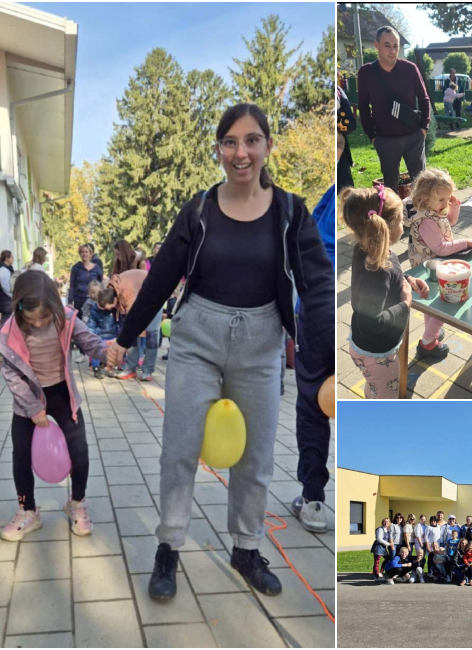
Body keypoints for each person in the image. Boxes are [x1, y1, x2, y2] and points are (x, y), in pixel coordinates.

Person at [106, 103, 333, 602]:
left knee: (256, 457)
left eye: (252, 140)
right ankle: (169, 545)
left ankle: (246, 549)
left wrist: (329, 362)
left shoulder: (290, 212)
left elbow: (317, 288)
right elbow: (161, 278)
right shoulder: (200, 209)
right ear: (219, 150)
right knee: (179, 449)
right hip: (197, 341)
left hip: (261, 344)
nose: (241, 152)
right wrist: (124, 340)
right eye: (230, 142)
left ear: (268, 146)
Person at [0, 272, 105, 540]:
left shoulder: (66, 319)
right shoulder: (10, 331)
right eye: (30, 318)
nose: (37, 323)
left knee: (80, 452)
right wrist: (34, 408)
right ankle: (27, 510)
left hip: (62, 394)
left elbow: (90, 342)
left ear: (54, 307)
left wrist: (109, 352)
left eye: (43, 317)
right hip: (28, 400)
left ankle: (77, 502)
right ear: (19, 307)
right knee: (21, 457)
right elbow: (11, 374)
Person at [342, 185, 420, 398]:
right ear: (388, 227)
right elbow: (370, 323)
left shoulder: (369, 249)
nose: (403, 225)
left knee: (376, 387)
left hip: (370, 349)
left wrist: (406, 280)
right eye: (401, 221)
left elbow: (387, 281)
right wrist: (405, 304)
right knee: (385, 398)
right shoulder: (377, 268)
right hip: (377, 355)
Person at [407, 168, 472, 360]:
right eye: (442, 200)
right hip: (428, 267)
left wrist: (454, 206)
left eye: (448, 198)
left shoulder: (434, 210)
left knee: (433, 302)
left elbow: (449, 222)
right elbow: (440, 248)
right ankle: (428, 342)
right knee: (443, 303)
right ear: (424, 198)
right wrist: (465, 243)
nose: (445, 203)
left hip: (436, 264)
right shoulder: (427, 221)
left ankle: (431, 331)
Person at [356, 27, 431, 196]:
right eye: (387, 45)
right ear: (376, 45)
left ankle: (423, 213)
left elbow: (424, 98)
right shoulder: (366, 72)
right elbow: (363, 106)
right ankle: (394, 214)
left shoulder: (410, 69)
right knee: (390, 190)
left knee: (422, 185)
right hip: (385, 140)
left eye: (396, 46)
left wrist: (423, 129)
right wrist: (373, 137)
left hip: (413, 137)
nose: (392, 51)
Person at [97, 268, 155, 381]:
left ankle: (147, 371)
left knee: (151, 335)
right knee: (131, 337)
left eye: (109, 308)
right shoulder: (111, 290)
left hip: (155, 294)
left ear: (115, 300)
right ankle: (130, 369)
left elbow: (134, 320)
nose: (109, 310)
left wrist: (126, 337)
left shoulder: (127, 293)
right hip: (139, 296)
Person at [67, 243, 104, 312]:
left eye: (86, 252)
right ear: (80, 254)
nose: (84, 254)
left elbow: (100, 284)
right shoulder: (76, 268)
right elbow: (72, 285)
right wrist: (70, 302)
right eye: (82, 252)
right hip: (79, 301)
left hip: (93, 301)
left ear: (91, 253)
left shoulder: (96, 268)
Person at [0, 250, 15, 321]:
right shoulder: (3, 270)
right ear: (6, 258)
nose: (13, 260)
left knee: (7, 321)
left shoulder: (6, 269)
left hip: (5, 300)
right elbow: (6, 287)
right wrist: (14, 296)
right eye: (11, 258)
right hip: (6, 300)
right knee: (7, 322)